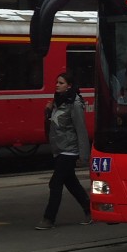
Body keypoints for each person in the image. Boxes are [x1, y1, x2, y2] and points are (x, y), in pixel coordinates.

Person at [36, 71, 92, 229]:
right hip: (59, 148)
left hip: (70, 149)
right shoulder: (57, 102)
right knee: (71, 182)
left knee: (55, 183)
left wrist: (84, 155)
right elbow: (52, 126)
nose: (57, 85)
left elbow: (81, 129)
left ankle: (48, 219)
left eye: (61, 83)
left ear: (69, 86)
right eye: (57, 82)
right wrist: (47, 112)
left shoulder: (75, 103)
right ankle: (89, 210)